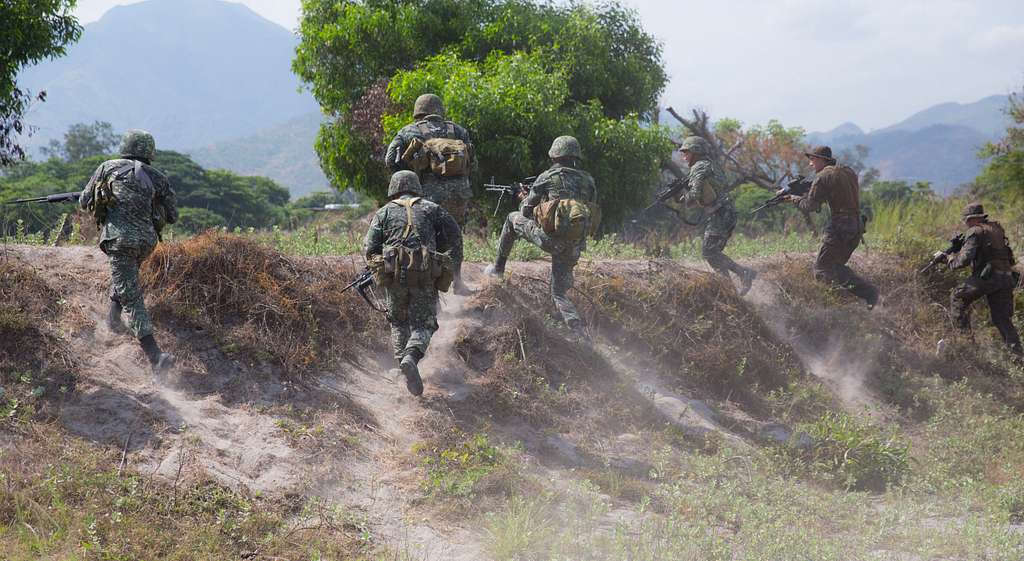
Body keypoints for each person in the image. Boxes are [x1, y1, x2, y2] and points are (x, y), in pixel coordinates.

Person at [80, 129, 178, 373]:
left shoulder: (107, 167)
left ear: (125, 146)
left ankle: (155, 356)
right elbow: (173, 216)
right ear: (150, 152)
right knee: (127, 278)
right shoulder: (158, 177)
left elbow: (84, 201)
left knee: (131, 295)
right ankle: (113, 318)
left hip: (119, 240)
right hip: (146, 242)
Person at [485, 135, 597, 337]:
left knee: (512, 218)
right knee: (559, 292)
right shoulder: (589, 180)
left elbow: (525, 211)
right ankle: (578, 332)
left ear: (555, 155)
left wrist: (521, 197)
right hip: (574, 245)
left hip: (550, 241)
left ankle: (498, 268)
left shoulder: (547, 177)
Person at [364, 170, 463, 396]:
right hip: (425, 276)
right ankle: (411, 357)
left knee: (398, 322)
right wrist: (451, 265)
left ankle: (403, 363)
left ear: (393, 189)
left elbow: (370, 249)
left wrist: (380, 268)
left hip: (395, 277)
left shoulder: (383, 212)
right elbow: (455, 235)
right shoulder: (431, 208)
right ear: (416, 187)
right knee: (424, 324)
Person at [385, 93, 474, 293]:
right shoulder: (458, 130)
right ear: (440, 110)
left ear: (418, 112)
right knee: (454, 235)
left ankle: (430, 289)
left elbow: (390, 160)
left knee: (428, 240)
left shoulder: (408, 131)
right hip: (459, 195)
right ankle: (458, 281)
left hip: (428, 196)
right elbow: (472, 162)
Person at [784, 145, 878, 308]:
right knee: (835, 267)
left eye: (812, 160)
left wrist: (793, 198)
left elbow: (811, 206)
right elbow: (835, 190)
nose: (810, 164)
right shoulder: (848, 171)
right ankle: (864, 295)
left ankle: (832, 306)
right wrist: (809, 189)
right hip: (856, 227)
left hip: (840, 228)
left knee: (822, 269)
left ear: (822, 160)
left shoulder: (822, 177)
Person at [936, 203, 1022, 358]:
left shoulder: (975, 231)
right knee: (1002, 319)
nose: (966, 224)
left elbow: (962, 261)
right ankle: (1018, 357)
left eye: (966, 221)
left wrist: (948, 258)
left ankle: (967, 345)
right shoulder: (995, 228)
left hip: (988, 277)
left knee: (957, 296)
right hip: (1006, 278)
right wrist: (960, 245)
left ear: (972, 219)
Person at [676, 136, 756, 294]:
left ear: (696, 152)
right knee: (715, 256)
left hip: (720, 214)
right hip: (726, 213)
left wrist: (682, 198)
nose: (684, 156)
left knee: (709, 252)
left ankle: (743, 273)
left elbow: (694, 195)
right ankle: (729, 291)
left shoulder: (698, 167)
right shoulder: (712, 165)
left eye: (686, 152)